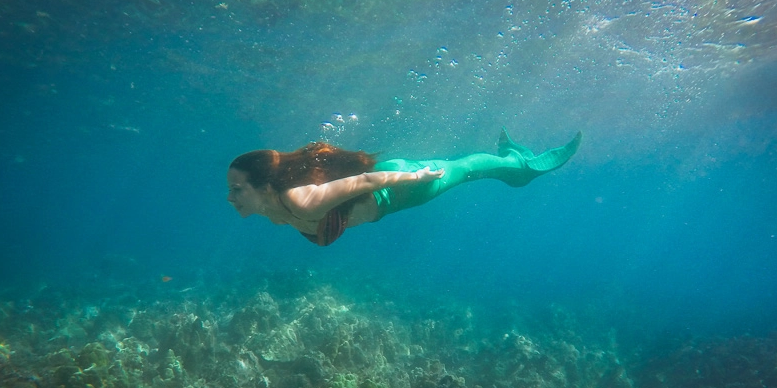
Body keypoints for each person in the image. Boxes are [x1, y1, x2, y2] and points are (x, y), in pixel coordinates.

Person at [227, 127, 581, 246]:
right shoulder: (274, 210)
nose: (230, 198)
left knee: (464, 169)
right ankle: (512, 159)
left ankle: (520, 166)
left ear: (264, 186)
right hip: (389, 182)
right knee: (464, 169)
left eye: (238, 189)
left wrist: (416, 178)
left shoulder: (300, 202)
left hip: (400, 187)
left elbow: (366, 180)